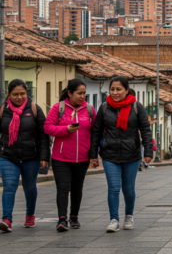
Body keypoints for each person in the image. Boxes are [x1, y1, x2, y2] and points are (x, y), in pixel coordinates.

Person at [90, 76, 153, 233]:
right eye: (112, 89)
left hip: (131, 154)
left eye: (118, 89)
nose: (115, 92)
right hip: (110, 154)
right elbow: (96, 132)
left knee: (128, 189)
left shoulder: (136, 107)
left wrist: (148, 151)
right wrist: (93, 154)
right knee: (113, 187)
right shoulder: (104, 108)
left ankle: (129, 216)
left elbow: (145, 129)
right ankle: (114, 220)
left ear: (126, 90)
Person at [44, 79, 95, 232]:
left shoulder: (90, 110)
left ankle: (74, 216)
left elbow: (96, 133)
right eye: (79, 93)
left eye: (84, 93)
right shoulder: (58, 108)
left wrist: (94, 154)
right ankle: (61, 219)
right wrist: (66, 130)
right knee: (63, 188)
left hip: (82, 157)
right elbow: (47, 128)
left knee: (77, 188)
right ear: (69, 93)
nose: (82, 96)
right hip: (61, 157)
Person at [0, 80, 50, 232]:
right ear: (9, 94)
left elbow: (43, 134)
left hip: (31, 157)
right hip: (8, 156)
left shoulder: (34, 109)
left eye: (22, 93)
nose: (19, 97)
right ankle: (7, 219)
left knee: (29, 187)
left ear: (27, 93)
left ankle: (30, 215)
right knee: (9, 186)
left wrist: (44, 157)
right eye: (15, 94)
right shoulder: (3, 110)